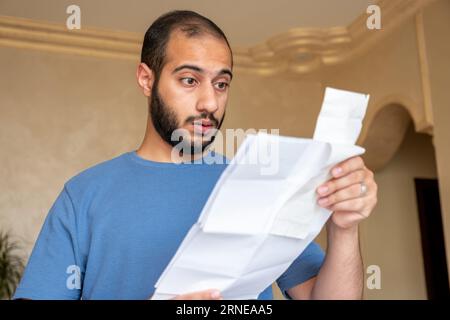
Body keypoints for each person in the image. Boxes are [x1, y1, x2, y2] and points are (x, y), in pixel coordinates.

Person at [13, 10, 377, 300]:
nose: (210, 102)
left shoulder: (261, 185)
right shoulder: (83, 196)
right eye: (189, 80)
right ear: (146, 79)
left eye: (221, 84)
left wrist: (344, 229)